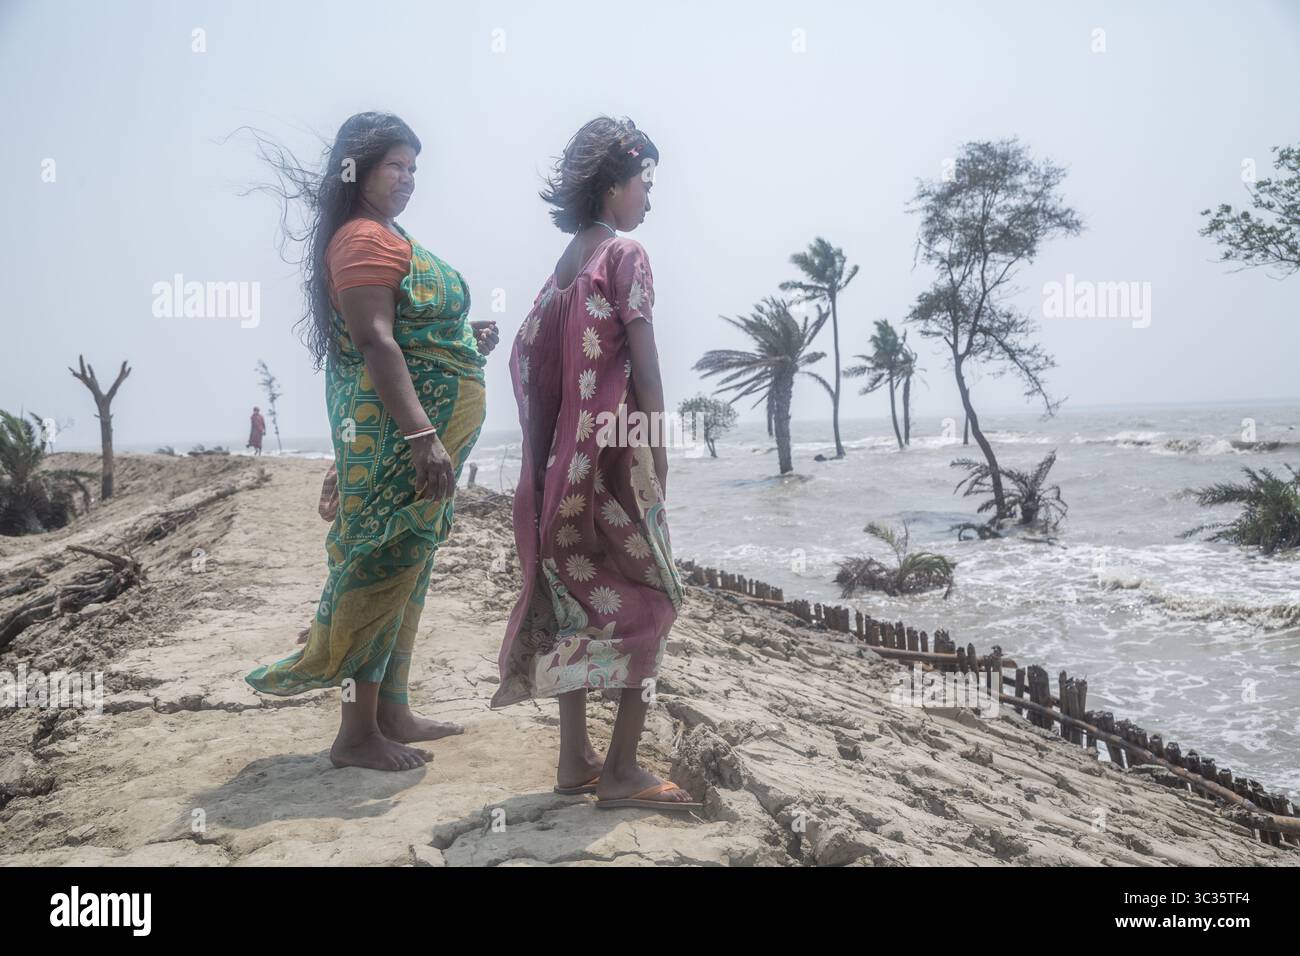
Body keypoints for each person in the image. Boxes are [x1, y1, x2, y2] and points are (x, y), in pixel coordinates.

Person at [244, 112, 499, 772]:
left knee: (409, 567)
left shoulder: (387, 235)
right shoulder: (361, 239)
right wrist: (421, 436)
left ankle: (392, 709)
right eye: (396, 166)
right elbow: (374, 342)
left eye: (414, 167)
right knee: (378, 566)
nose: (409, 179)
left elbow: (406, 332)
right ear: (357, 169)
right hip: (400, 441)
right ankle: (356, 734)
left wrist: (465, 342)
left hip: (409, 438)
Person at [492, 117, 699, 811]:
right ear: (615, 183)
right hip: (612, 471)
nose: (649, 199)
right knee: (655, 599)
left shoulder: (560, 271)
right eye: (646, 183)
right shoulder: (624, 255)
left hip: (560, 477)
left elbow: (530, 363)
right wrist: (659, 458)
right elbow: (646, 368)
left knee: (577, 602)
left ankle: (575, 758)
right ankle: (621, 772)